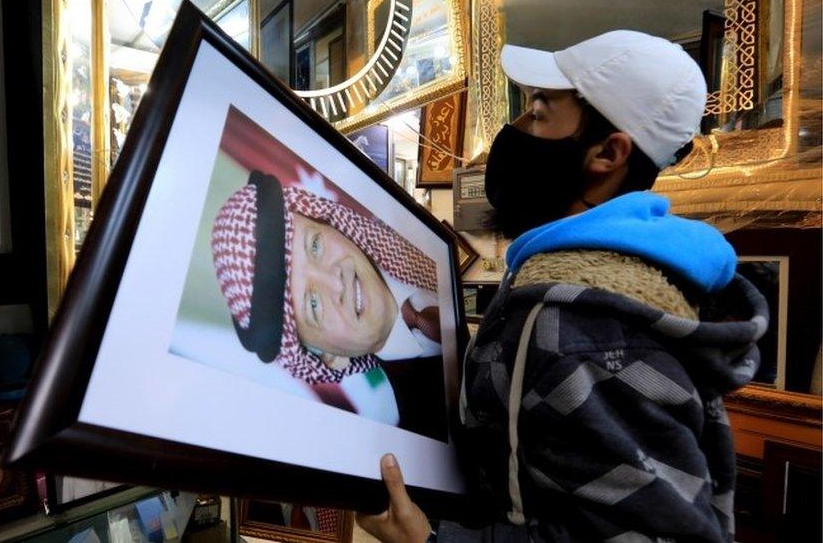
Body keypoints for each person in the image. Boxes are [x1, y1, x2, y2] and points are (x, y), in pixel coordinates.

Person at [358, 30, 768, 542]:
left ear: (608, 153)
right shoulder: (587, 280)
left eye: (538, 110)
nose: (518, 128)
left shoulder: (582, 323)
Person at [210, 170, 442, 385]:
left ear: (329, 224)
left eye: (315, 245)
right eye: (313, 304)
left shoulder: (418, 231)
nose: (335, 281)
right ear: (328, 358)